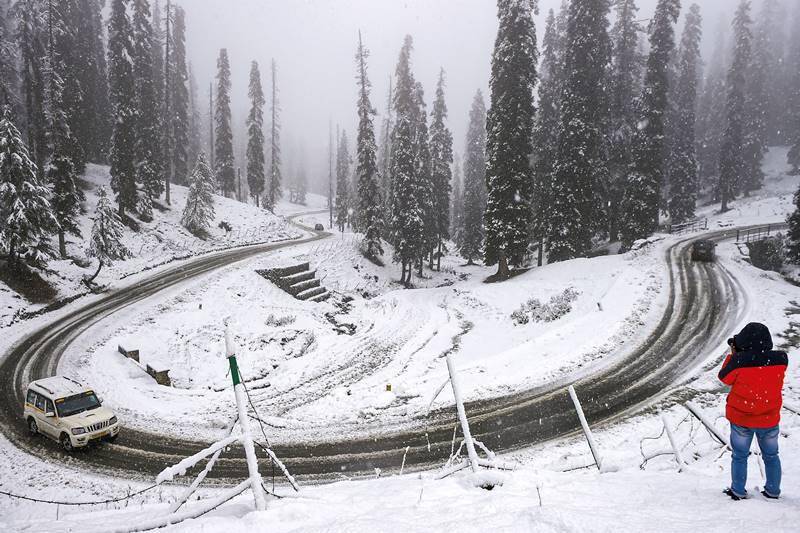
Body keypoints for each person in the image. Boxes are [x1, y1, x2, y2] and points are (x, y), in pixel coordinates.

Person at [718, 322, 788, 500]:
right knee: (771, 456)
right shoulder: (781, 359)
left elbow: (724, 378)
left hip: (742, 418)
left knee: (739, 456)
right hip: (769, 418)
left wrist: (733, 355)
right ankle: (773, 491)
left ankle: (738, 490)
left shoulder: (739, 361)